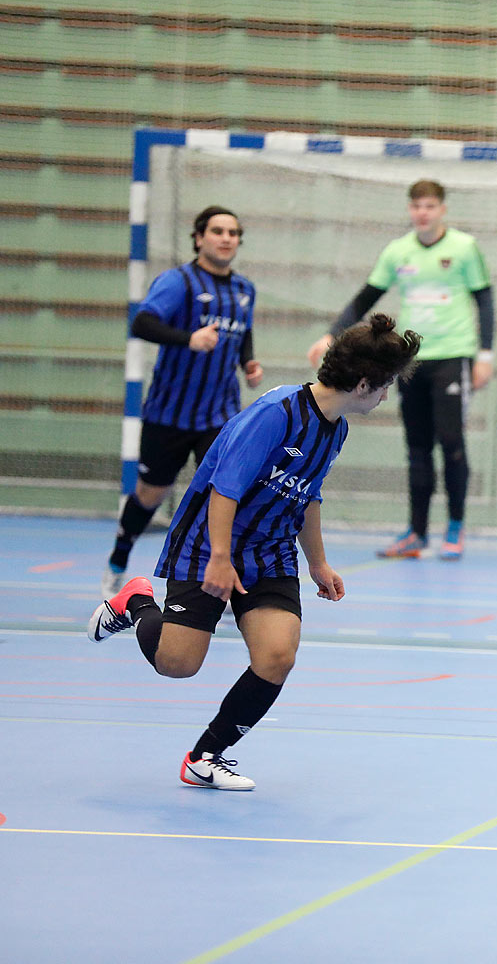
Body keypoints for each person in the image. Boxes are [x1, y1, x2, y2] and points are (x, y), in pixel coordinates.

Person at [86, 315, 422, 790]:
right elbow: (225, 488)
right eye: (385, 385)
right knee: (177, 665)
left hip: (270, 549)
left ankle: (205, 756)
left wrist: (318, 562)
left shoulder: (336, 428)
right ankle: (135, 603)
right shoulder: (277, 413)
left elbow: (308, 495)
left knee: (277, 655)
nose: (386, 395)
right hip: (210, 541)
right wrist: (220, 559)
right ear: (364, 383)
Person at [306, 179, 494, 561]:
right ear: (410, 210)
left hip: (453, 355)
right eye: (416, 206)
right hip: (412, 361)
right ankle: (417, 532)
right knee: (417, 447)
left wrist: (485, 354)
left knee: (452, 443)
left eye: (429, 206)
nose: (422, 212)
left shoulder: (463, 248)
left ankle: (454, 527)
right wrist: (331, 334)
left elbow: (485, 299)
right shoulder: (398, 251)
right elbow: (366, 296)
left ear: (441, 209)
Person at [103, 206, 262, 598]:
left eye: (233, 232)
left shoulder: (244, 290)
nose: (226, 238)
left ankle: (216, 580)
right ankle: (118, 562)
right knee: (150, 494)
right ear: (198, 237)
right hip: (170, 414)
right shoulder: (178, 282)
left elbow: (241, 334)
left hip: (220, 417)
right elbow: (142, 322)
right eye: (217, 231)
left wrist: (248, 363)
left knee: (223, 496)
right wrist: (188, 338)